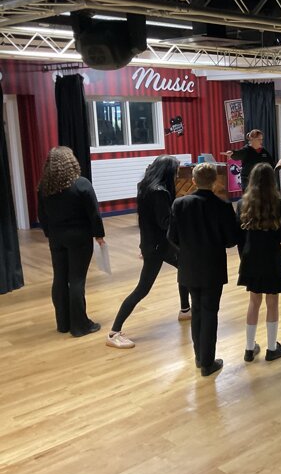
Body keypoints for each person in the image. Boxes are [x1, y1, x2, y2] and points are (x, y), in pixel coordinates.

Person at [106, 155, 190, 349]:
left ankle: (185, 309)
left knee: (184, 266)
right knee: (142, 289)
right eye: (176, 172)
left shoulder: (145, 187)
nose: (177, 175)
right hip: (158, 247)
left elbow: (146, 220)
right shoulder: (159, 192)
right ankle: (113, 332)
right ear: (168, 172)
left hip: (155, 244)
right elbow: (165, 223)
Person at [167, 163, 238, 377]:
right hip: (213, 265)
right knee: (210, 312)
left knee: (197, 309)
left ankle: (199, 357)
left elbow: (172, 236)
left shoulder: (180, 203)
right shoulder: (223, 206)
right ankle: (207, 362)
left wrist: (187, 249)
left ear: (193, 181)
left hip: (189, 264)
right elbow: (231, 240)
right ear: (215, 181)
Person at [38, 146, 105, 337]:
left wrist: (49, 233)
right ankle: (80, 326)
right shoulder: (81, 184)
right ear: (71, 162)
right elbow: (94, 213)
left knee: (59, 278)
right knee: (76, 280)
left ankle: (63, 323)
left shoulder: (44, 187)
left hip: (56, 237)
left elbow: (42, 214)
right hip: (79, 238)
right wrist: (99, 235)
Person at [238, 163, 281, 363]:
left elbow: (239, 236)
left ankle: (249, 348)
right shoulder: (280, 205)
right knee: (272, 302)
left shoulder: (242, 204)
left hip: (251, 258)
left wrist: (244, 257)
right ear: (272, 182)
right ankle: (271, 348)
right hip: (272, 259)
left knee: (254, 302)